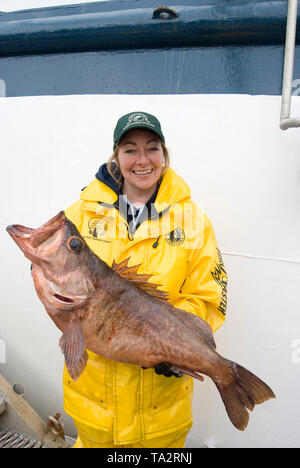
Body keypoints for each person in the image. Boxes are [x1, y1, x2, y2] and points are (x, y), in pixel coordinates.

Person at [64, 111, 227, 448]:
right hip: (94, 406)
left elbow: (209, 296)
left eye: (152, 148)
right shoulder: (80, 214)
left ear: (165, 156)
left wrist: (173, 346)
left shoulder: (194, 221)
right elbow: (59, 283)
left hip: (160, 412)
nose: (142, 160)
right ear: (115, 156)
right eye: (129, 149)